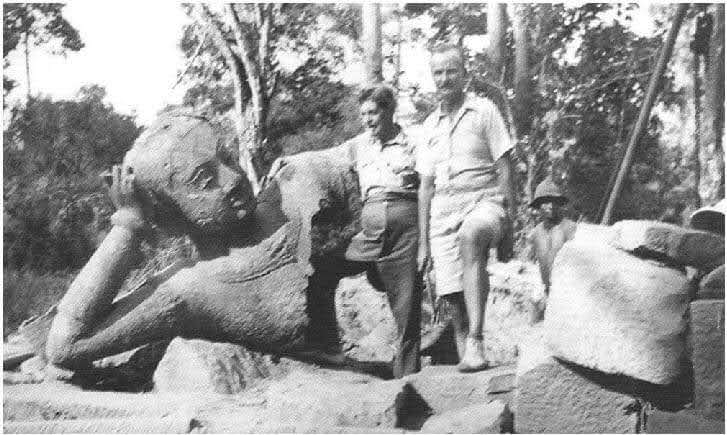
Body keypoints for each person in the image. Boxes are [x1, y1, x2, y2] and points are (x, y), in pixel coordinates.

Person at [417, 44, 515, 373]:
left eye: (451, 71)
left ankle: (476, 339)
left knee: (472, 236)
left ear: (464, 74)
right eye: (438, 73)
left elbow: (504, 166)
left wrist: (509, 224)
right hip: (442, 208)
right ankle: (465, 351)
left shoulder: (484, 110)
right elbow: (426, 187)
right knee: (449, 291)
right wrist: (423, 244)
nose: (445, 79)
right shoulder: (428, 126)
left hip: (483, 198)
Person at [343, 85, 422, 378]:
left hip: (405, 217)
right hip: (371, 222)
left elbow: (430, 183)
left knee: (406, 302)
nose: (367, 120)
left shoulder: (413, 142)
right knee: (328, 265)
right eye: (363, 114)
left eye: (373, 113)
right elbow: (328, 158)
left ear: (389, 111)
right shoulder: (356, 145)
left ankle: (408, 375)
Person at [526, 178, 577, 324]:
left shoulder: (570, 228)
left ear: (560, 204)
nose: (550, 206)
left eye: (554, 201)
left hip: (565, 290)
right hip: (544, 288)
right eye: (545, 201)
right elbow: (533, 262)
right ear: (538, 206)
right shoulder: (536, 233)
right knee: (534, 323)